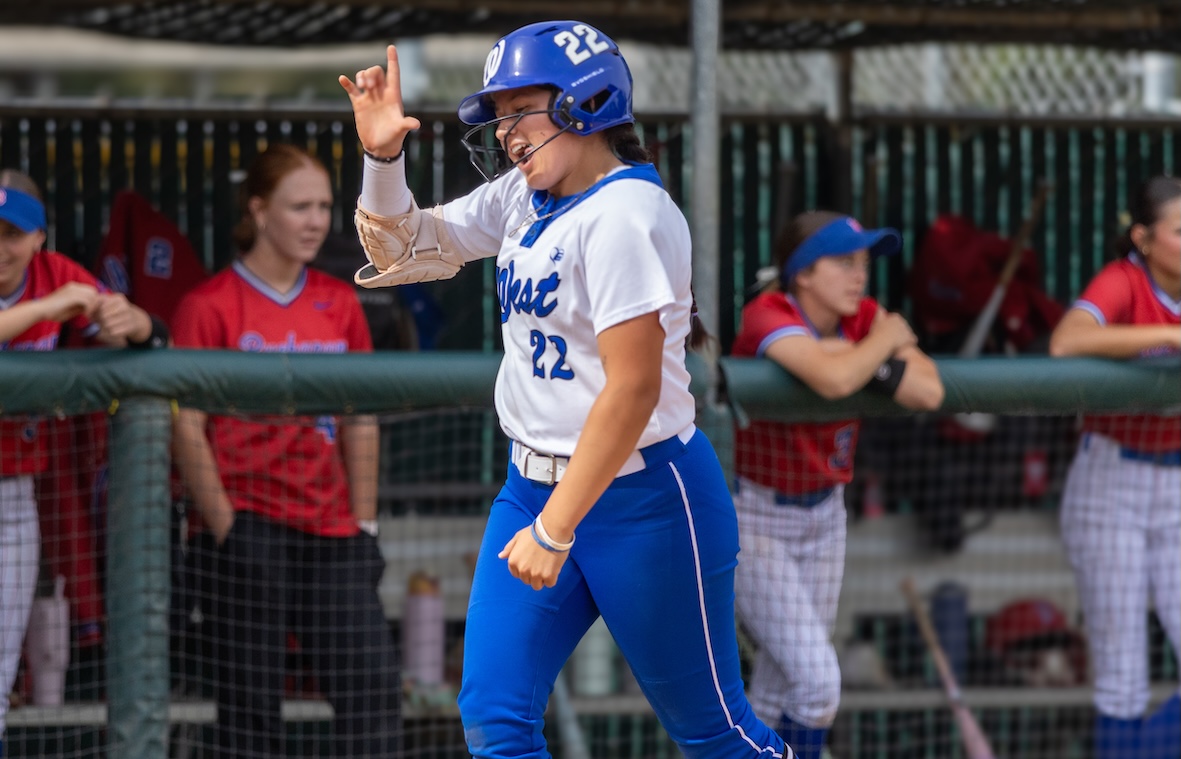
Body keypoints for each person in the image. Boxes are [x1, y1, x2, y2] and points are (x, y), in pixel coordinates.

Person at [340, 21, 796, 759]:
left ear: (586, 101)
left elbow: (634, 390)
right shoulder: (524, 196)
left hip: (645, 498)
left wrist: (555, 530)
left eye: (520, 110)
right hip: (530, 486)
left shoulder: (627, 213)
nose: (506, 134)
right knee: (494, 716)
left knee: (715, 733)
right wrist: (383, 158)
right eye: (500, 117)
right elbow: (402, 249)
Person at [170, 144, 400, 757]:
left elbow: (360, 421)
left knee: (373, 694)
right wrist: (226, 526)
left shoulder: (340, 301)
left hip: (331, 532)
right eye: (300, 207)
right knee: (250, 720)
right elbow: (185, 427)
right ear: (258, 210)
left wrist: (365, 525)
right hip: (245, 530)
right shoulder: (207, 305)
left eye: (324, 207)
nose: (316, 221)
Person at [730, 211, 945, 759]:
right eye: (844, 263)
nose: (860, 276)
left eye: (864, 263)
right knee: (819, 685)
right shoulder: (768, 311)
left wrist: (865, 360)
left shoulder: (862, 318)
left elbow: (929, 391)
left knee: (780, 685)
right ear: (803, 273)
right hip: (756, 518)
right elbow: (834, 378)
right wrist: (882, 347)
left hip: (826, 514)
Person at [0, 168, 167, 755]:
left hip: (14, 495)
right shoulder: (52, 292)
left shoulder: (55, 273)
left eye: (11, 234)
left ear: (38, 237)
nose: (1, 248)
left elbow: (144, 334)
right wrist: (50, 308)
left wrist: (130, 323)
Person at [1049, 174, 1180, 759]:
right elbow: (1067, 342)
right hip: (1111, 484)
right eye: (1180, 230)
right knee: (1123, 674)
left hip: (1177, 483)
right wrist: (1169, 338)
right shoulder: (1124, 279)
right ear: (1143, 238)